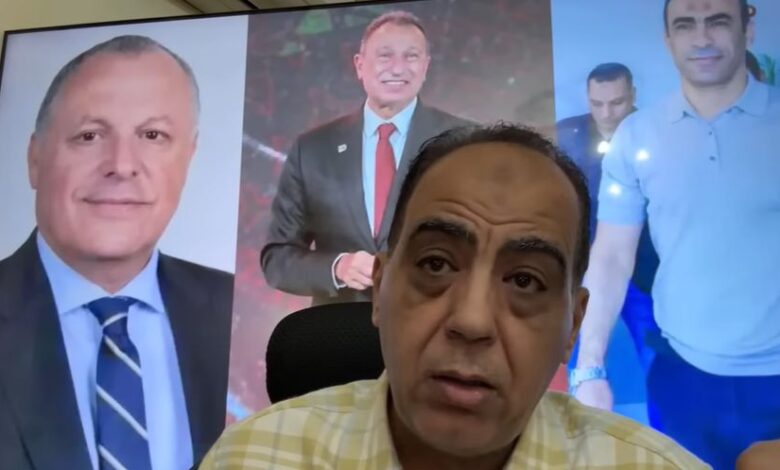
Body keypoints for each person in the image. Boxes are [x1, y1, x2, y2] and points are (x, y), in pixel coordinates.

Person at [199, 123, 708, 469]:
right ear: (379, 288)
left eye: (525, 281)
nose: (472, 320)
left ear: (572, 325)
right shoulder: (255, 457)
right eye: (435, 265)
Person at [0, 35, 233, 470]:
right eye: (89, 136)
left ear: (189, 157)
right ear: (35, 158)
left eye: (153, 135)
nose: (122, 165)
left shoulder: (240, 312)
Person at [573, 0, 780, 468]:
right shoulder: (635, 136)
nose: (701, 38)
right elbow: (611, 256)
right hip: (681, 377)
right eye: (685, 25)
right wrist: (589, 367)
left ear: (747, 30)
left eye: (718, 22)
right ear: (668, 40)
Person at [261, 10, 469, 306]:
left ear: (425, 67)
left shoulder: (465, 142)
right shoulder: (313, 150)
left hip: (433, 323)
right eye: (385, 56)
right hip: (341, 328)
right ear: (360, 65)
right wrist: (338, 268)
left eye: (411, 57)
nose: (398, 68)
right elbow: (278, 259)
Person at [556, 63, 660, 385]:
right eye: (597, 103)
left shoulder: (659, 134)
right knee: (579, 360)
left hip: (648, 271)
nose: (607, 113)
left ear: (633, 95)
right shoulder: (564, 136)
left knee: (657, 360)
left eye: (616, 102)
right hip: (586, 270)